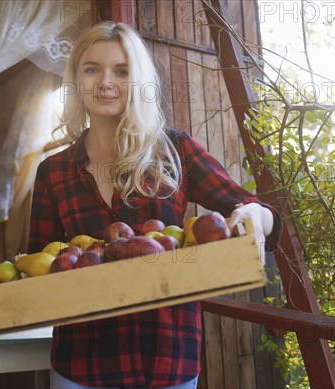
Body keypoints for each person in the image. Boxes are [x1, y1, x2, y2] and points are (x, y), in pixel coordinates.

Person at [27, 21, 282, 389]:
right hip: (82, 364)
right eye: (92, 68)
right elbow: (42, 267)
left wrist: (257, 214)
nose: (105, 82)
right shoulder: (53, 171)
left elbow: (262, 212)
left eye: (122, 70)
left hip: (166, 362)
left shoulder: (175, 152)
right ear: (76, 79)